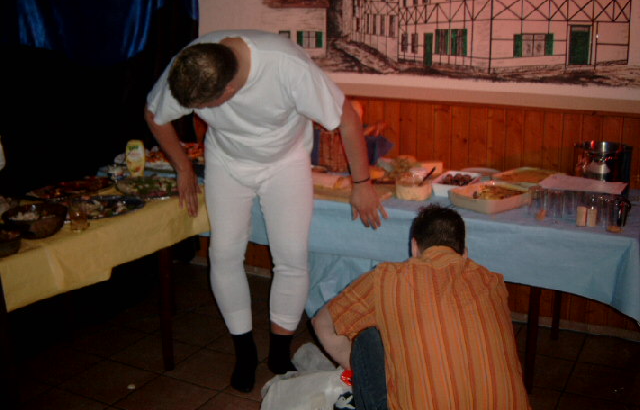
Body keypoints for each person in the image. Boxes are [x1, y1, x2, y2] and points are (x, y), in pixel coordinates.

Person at [144, 29, 388, 393]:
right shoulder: (194, 62)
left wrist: (362, 183)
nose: (201, 114)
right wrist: (183, 168)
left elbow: (347, 118)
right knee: (224, 253)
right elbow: (154, 114)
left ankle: (279, 351)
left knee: (291, 257)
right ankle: (244, 351)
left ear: (230, 90)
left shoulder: (286, 65)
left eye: (206, 108)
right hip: (227, 161)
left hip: (285, 161)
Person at [312, 204, 531, 410]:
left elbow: (322, 325)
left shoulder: (387, 278)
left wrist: (359, 373)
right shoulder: (491, 282)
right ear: (465, 252)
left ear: (414, 247)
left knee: (368, 339)